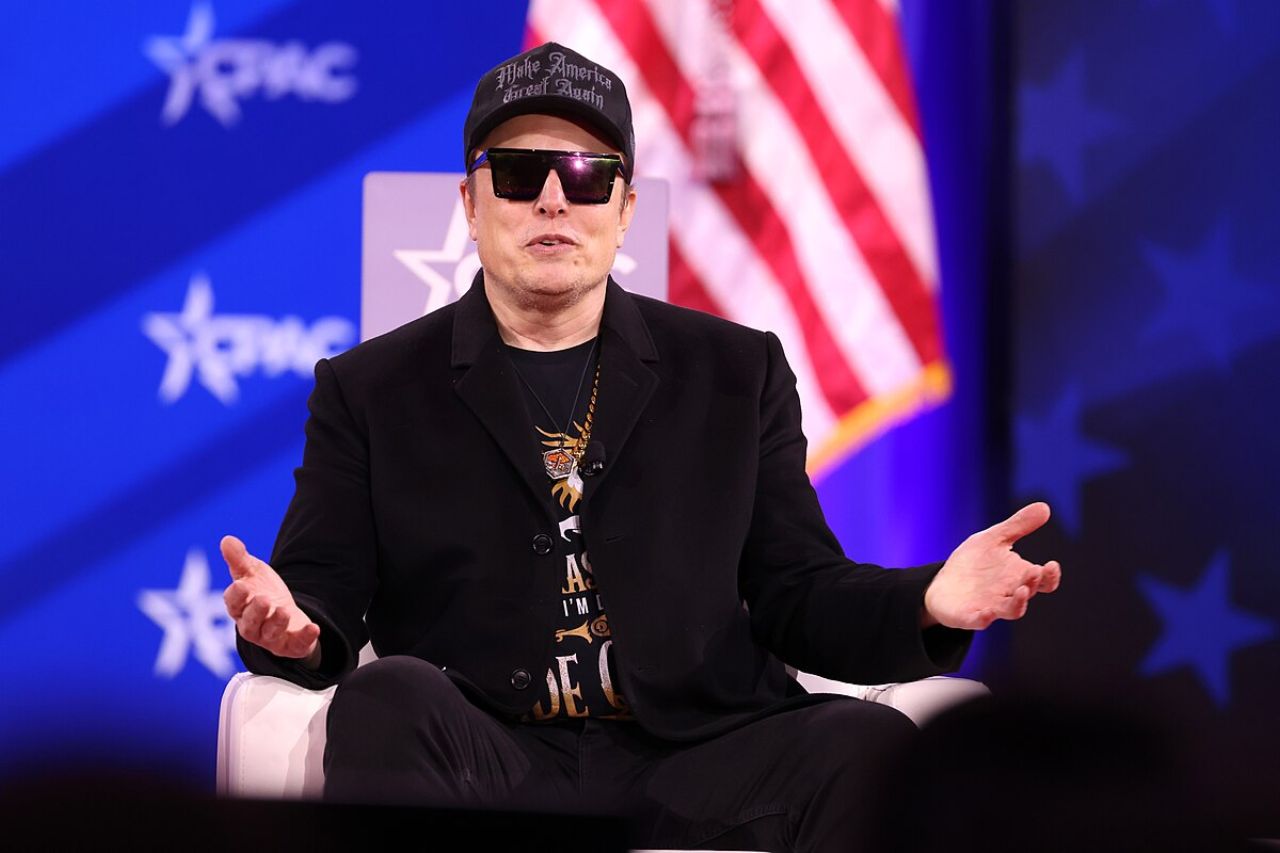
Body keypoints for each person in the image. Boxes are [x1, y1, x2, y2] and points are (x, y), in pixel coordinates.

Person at [221, 41, 1061, 852]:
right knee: (386, 696)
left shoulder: (736, 371)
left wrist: (928, 600)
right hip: (491, 751)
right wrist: (296, 632)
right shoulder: (370, 388)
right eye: (519, 174)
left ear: (624, 210)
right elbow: (317, 593)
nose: (554, 200)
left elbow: (797, 590)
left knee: (867, 744)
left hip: (695, 755)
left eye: (587, 176)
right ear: (471, 205)